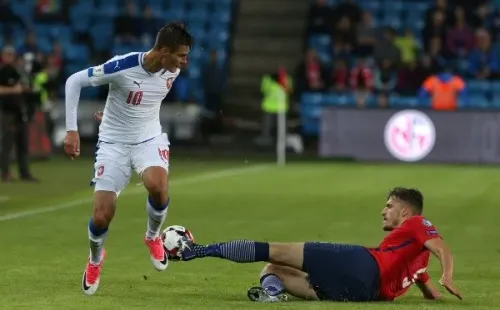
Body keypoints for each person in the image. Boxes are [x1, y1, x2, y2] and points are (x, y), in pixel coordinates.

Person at [63, 21, 194, 295]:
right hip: (113, 144)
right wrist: (72, 130)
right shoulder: (122, 67)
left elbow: (142, 101)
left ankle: (152, 236)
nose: (185, 61)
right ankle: (95, 260)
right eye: (181, 55)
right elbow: (74, 81)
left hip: (149, 138)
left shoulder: (171, 70)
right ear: (165, 50)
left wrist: (113, 112)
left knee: (157, 185)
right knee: (101, 216)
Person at [178, 187, 463, 303]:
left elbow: (442, 247)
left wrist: (448, 274)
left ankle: (198, 251)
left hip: (362, 263)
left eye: (389, 206)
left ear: (405, 212)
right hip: (362, 294)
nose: (383, 211)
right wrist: (438, 295)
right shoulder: (416, 261)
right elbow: (428, 290)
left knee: (272, 250)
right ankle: (272, 295)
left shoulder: (417, 223)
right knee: (273, 269)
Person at [0, 45, 38, 182]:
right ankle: (5, 173)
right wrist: (14, 90)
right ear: (3, 56)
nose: (9, 57)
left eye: (11, 54)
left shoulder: (17, 72)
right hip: (7, 112)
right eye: (7, 54)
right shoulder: (3, 71)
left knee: (23, 143)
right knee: (7, 143)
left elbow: (21, 87)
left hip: (20, 112)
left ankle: (24, 172)